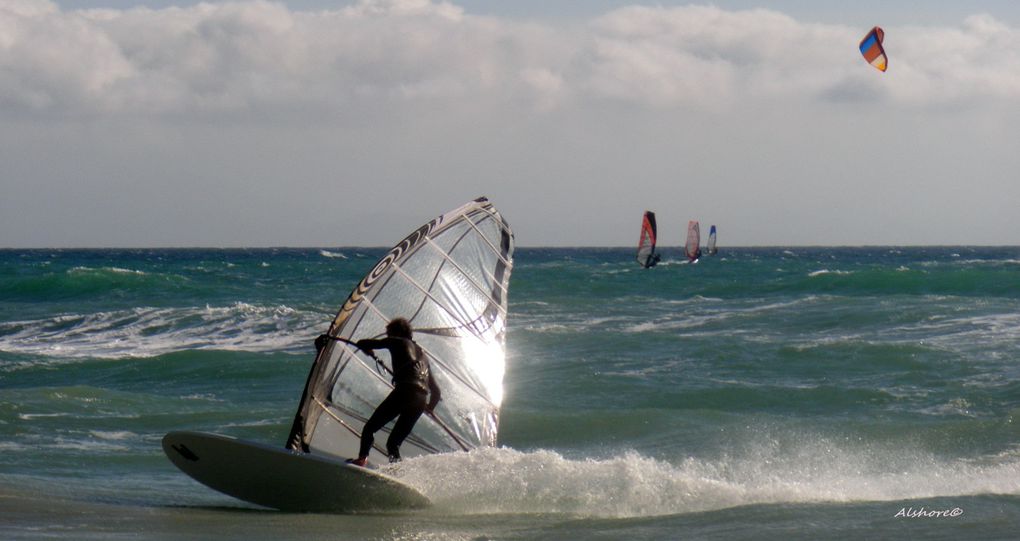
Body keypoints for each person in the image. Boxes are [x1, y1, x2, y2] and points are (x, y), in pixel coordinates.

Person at [347, 317, 441, 466]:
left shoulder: (396, 341)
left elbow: (362, 343)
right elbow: (436, 392)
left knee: (369, 429)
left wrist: (368, 350)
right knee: (393, 444)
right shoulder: (425, 357)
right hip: (421, 399)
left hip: (405, 391)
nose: (388, 336)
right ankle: (397, 470)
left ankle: (362, 458)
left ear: (396, 333)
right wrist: (429, 408)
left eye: (389, 333)